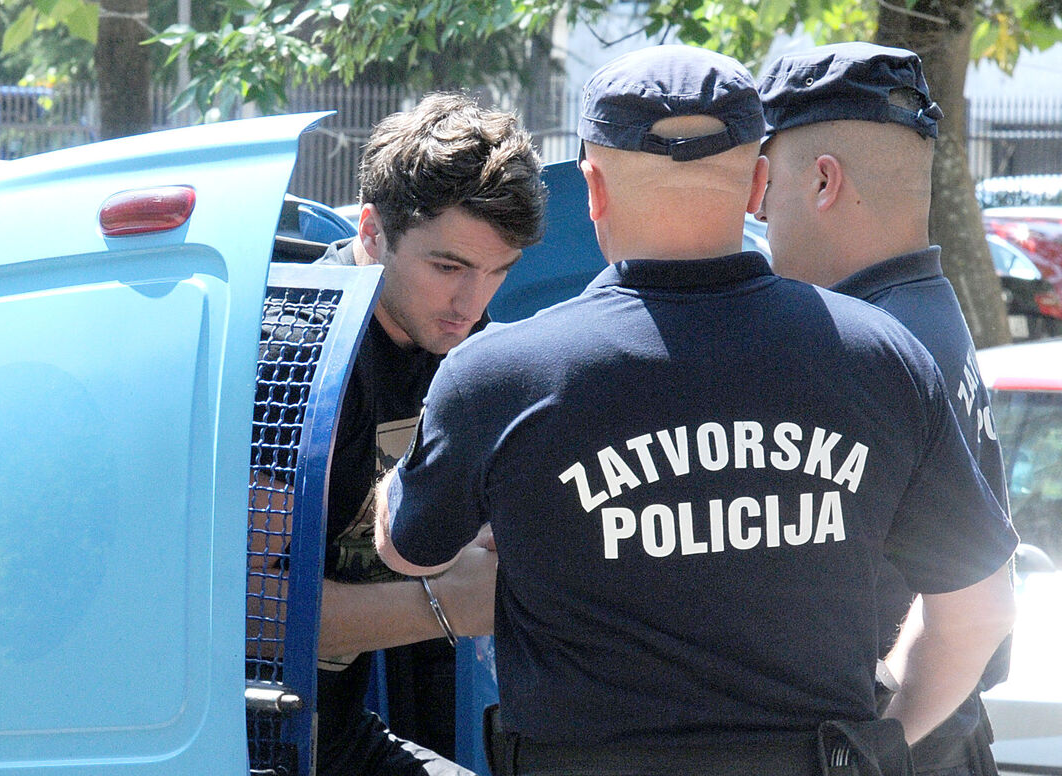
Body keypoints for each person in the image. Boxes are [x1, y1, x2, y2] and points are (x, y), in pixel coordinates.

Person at [372, 44, 1018, 776]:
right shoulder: (885, 357)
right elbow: (978, 613)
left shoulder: (498, 375)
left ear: (593, 188)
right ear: (757, 183)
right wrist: (877, 748)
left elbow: (408, 550)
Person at [251, 91, 546, 776]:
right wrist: (443, 606)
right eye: (448, 267)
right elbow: (245, 612)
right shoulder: (294, 356)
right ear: (373, 230)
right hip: (248, 747)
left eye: (498, 272)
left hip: (338, 737)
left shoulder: (460, 345)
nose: (471, 303)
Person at [754, 42, 1014, 776]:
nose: (756, 211)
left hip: (907, 744)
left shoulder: (867, 345)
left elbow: (979, 611)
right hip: (946, 736)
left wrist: (875, 749)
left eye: (765, 184)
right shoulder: (927, 312)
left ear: (823, 181)